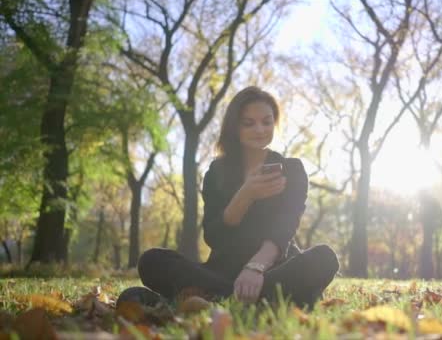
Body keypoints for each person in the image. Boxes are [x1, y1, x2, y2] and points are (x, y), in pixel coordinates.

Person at [119, 86, 339, 310]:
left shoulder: (292, 169)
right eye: (249, 123)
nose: (260, 129)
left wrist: (255, 268)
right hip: (221, 271)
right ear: (235, 126)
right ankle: (266, 300)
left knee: (324, 258)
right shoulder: (216, 173)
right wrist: (246, 195)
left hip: (275, 267)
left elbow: (285, 228)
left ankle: (215, 300)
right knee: (152, 261)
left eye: (267, 121)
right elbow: (214, 237)